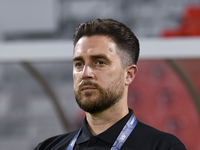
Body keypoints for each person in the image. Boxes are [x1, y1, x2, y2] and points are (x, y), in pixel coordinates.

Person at [35, 19, 186, 150]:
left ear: (129, 75)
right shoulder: (47, 147)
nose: (85, 73)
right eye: (79, 64)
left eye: (99, 62)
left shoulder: (163, 147)